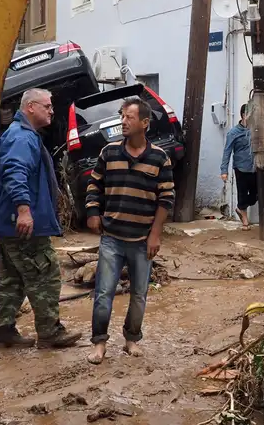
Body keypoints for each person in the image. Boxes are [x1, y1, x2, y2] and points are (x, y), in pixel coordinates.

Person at [0, 88, 82, 349]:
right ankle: (50, 332)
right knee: (47, 273)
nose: (52, 111)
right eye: (47, 106)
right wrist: (24, 210)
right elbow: (14, 172)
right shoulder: (21, 138)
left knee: (11, 278)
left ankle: (2, 332)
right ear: (30, 107)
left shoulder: (22, 135)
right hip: (22, 223)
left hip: (10, 224)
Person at [84, 96, 175, 364]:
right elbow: (94, 186)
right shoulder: (109, 153)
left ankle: (131, 339)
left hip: (142, 240)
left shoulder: (160, 158)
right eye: (122, 116)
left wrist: (155, 235)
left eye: (129, 117)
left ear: (144, 123)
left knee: (139, 294)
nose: (123, 121)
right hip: (111, 237)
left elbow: (166, 199)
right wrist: (92, 212)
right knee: (103, 293)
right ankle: (99, 343)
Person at [220, 103, 256, 228]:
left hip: (255, 167)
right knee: (242, 193)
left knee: (256, 194)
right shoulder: (233, 133)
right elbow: (227, 151)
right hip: (241, 167)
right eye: (250, 115)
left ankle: (240, 208)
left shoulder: (255, 130)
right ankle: (245, 219)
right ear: (243, 115)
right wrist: (224, 170)